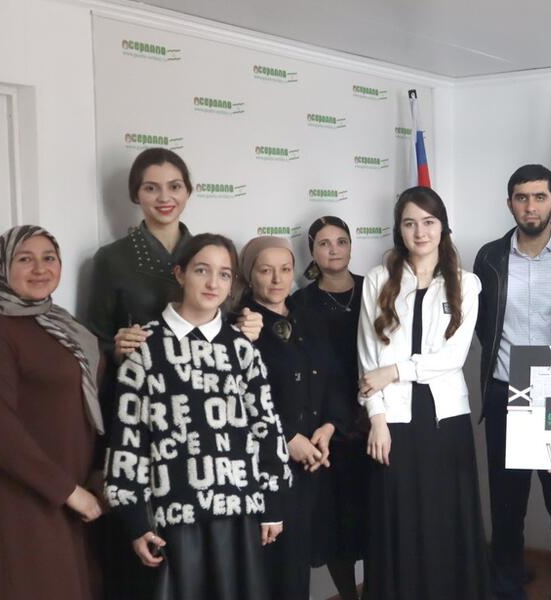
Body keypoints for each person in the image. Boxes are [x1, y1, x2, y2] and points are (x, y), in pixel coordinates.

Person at [87, 148, 260, 598]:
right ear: (135, 194)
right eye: (151, 187)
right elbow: (92, 339)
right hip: (147, 414)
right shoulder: (113, 259)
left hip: (210, 430)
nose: (164, 197)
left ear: (188, 191)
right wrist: (115, 347)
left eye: (174, 186)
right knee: (159, 566)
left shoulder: (208, 248)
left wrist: (250, 324)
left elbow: (225, 320)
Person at [103, 233, 290, 600]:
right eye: (202, 270)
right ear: (180, 273)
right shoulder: (145, 347)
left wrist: (273, 505)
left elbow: (267, 429)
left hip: (238, 513)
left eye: (224, 274)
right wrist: (136, 520)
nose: (212, 283)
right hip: (173, 517)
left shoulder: (242, 349)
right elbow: (128, 442)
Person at [0, 225, 105, 600]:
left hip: (71, 494)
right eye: (25, 259)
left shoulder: (60, 323)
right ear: (3, 268)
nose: (40, 268)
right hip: (21, 500)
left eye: (49, 258)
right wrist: (68, 492)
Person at [473, 164, 551, 600]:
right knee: (506, 505)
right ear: (510, 203)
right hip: (504, 389)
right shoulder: (490, 257)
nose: (531, 206)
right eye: (522, 197)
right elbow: (483, 323)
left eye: (540, 197)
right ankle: (507, 588)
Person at [357, 186, 488, 600]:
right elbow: (366, 359)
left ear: (443, 227)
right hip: (392, 421)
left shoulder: (466, 284)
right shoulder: (378, 279)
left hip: (445, 419)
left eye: (429, 222)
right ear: (399, 230)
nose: (420, 232)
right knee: (397, 518)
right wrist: (376, 420)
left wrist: (395, 371)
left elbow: (452, 357)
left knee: (443, 517)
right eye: (410, 223)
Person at [238, 235, 351, 600]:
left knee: (298, 565)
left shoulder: (308, 316)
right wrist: (286, 438)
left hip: (313, 461)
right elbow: (240, 399)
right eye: (266, 271)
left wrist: (329, 428)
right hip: (267, 466)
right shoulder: (240, 327)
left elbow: (333, 377)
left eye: (285, 269)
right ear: (249, 275)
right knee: (273, 569)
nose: (277, 279)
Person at [292, 216, 369, 600]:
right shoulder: (299, 302)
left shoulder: (375, 289)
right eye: (324, 243)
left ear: (351, 245)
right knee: (338, 523)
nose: (334, 250)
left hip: (375, 418)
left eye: (341, 241)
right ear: (312, 251)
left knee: (377, 516)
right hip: (328, 427)